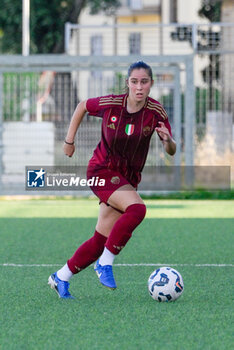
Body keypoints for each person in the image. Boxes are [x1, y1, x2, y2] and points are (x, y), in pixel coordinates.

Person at [48, 61, 176, 299]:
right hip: (101, 171)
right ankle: (105, 263)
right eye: (134, 81)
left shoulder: (156, 112)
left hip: (127, 179)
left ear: (151, 84)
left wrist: (168, 140)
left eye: (144, 82)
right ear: (127, 83)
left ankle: (61, 277)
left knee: (100, 240)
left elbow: (171, 150)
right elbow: (82, 106)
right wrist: (69, 141)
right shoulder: (111, 104)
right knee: (137, 209)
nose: (139, 87)